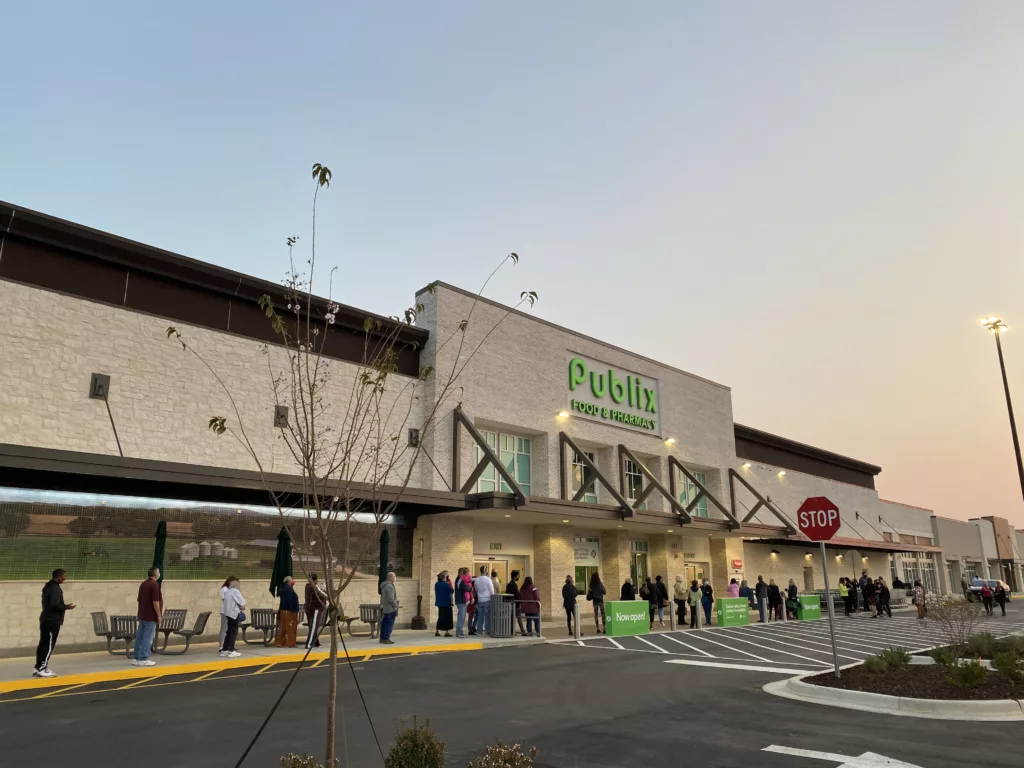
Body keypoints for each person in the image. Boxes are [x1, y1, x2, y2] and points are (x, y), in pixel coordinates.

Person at [34, 568, 75, 678]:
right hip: (52, 620)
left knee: (43, 644)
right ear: (58, 577)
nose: (64, 578)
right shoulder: (55, 588)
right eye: (63, 576)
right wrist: (66, 607)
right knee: (48, 645)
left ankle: (39, 667)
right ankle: (42, 669)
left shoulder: (48, 587)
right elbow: (54, 605)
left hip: (46, 619)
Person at [133, 567, 163, 667]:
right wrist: (158, 615)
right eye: (158, 572)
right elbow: (155, 601)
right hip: (150, 616)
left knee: (140, 637)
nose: (159, 573)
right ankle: (144, 658)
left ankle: (136, 658)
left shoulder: (143, 584)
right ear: (155, 574)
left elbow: (139, 599)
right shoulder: (154, 585)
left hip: (142, 614)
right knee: (148, 637)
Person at [220, 577, 244, 657]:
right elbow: (242, 602)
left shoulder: (227, 592)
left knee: (229, 632)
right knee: (234, 631)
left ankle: (225, 649)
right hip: (234, 614)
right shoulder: (235, 591)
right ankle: (232, 650)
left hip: (227, 614)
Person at [274, 576, 300, 647]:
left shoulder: (285, 589)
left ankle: (280, 642)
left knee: (284, 627)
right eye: (292, 580)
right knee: (290, 628)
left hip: (284, 610)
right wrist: (293, 610)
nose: (293, 581)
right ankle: (290, 643)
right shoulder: (289, 589)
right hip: (289, 611)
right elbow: (290, 601)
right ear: (288, 581)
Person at [305, 574, 328, 649]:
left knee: (313, 626)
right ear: (315, 580)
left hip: (310, 609)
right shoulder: (313, 587)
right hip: (316, 609)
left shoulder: (308, 586)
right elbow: (325, 595)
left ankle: (315, 642)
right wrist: (324, 589)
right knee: (314, 627)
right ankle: (309, 644)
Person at [506, 569, 527, 636]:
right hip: (515, 604)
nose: (518, 577)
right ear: (515, 577)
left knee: (512, 618)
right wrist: (519, 604)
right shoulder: (514, 585)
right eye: (517, 576)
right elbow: (517, 595)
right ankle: (523, 631)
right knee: (519, 618)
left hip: (510, 603)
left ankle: (512, 631)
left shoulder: (508, 584)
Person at [379, 571, 399, 644]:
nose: (395, 578)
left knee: (384, 624)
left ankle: (382, 638)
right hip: (391, 609)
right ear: (391, 578)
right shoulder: (390, 586)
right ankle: (386, 638)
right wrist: (396, 606)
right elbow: (391, 599)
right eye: (394, 577)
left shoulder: (384, 585)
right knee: (389, 625)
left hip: (385, 608)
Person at [434, 571, 454, 638]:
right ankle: (447, 632)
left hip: (440, 603)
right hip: (446, 603)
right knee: (447, 617)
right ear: (444, 578)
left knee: (441, 616)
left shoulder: (436, 584)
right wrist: (449, 582)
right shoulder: (446, 584)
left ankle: (437, 630)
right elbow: (452, 591)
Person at [219, 575, 237, 649]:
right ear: (230, 582)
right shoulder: (224, 589)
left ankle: (229, 645)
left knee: (230, 629)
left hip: (231, 612)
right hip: (225, 612)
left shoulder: (232, 590)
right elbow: (225, 600)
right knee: (224, 629)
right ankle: (221, 646)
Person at [454, 567, 472, 638]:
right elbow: (465, 587)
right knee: (461, 617)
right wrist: (471, 588)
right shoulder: (459, 580)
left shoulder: (461, 579)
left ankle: (460, 631)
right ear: (460, 573)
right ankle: (459, 632)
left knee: (463, 616)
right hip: (461, 601)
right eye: (463, 573)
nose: (465, 575)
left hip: (463, 601)